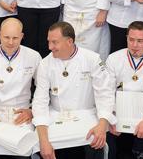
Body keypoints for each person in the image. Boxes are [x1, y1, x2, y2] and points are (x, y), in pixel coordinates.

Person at [32, 22, 114, 159]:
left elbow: (105, 93)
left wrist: (102, 123)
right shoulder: (45, 64)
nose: (50, 47)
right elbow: (40, 101)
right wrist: (43, 140)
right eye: (49, 42)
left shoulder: (92, 59)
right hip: (57, 116)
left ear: (69, 41)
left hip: (87, 115)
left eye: (54, 42)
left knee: (96, 143)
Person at [0, 18, 41, 159]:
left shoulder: (34, 57)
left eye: (15, 38)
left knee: (21, 151)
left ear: (22, 36)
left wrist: (32, 111)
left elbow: (43, 89)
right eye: (6, 37)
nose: (10, 42)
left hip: (21, 115)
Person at [105, 21, 143, 159]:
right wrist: (110, 117)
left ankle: (140, 151)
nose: (134, 45)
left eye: (140, 41)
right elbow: (106, 92)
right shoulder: (113, 58)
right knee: (110, 148)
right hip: (118, 108)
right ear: (126, 38)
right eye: (131, 39)